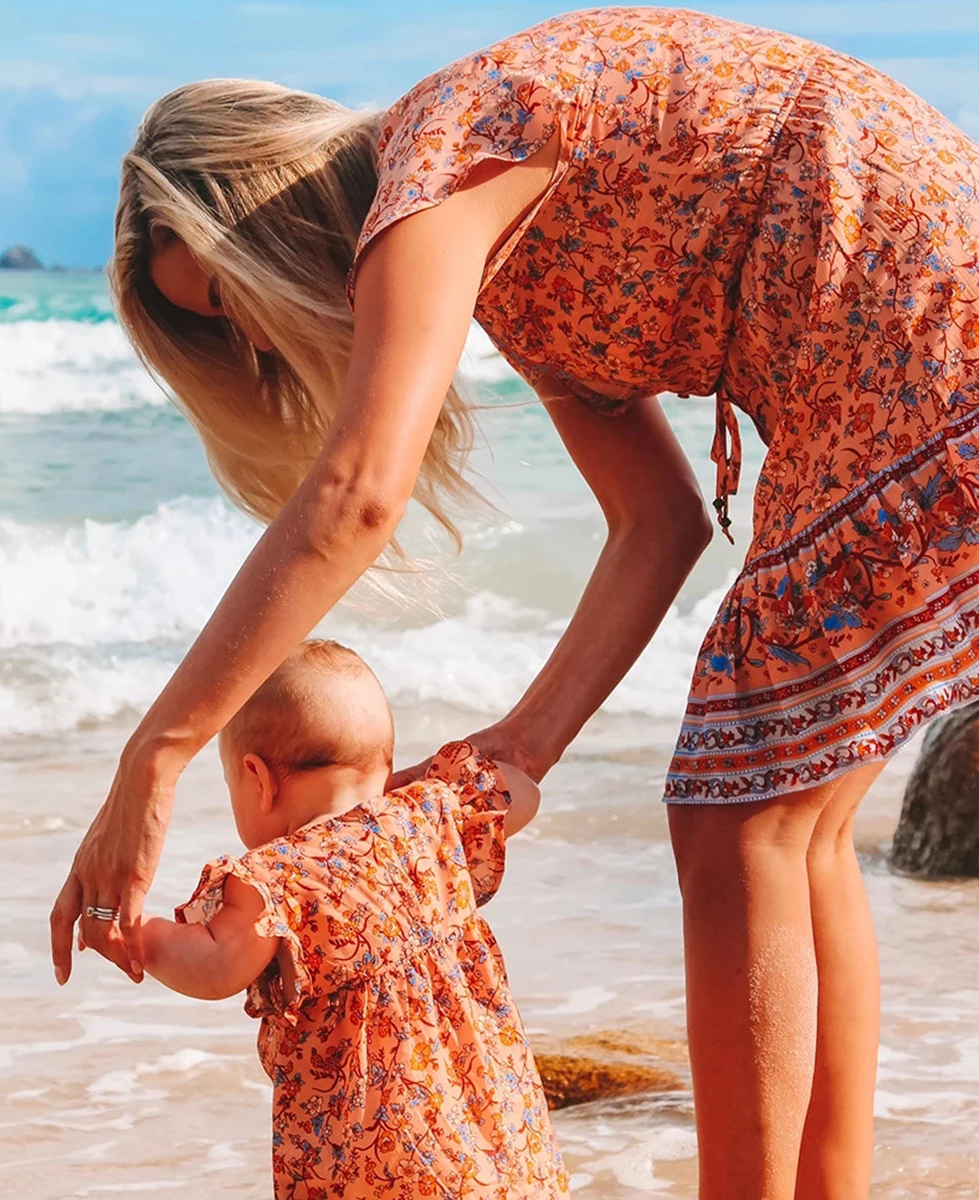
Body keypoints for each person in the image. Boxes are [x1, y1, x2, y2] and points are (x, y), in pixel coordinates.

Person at [48, 8, 979, 1198]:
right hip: (895, 323)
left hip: (900, 314)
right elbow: (660, 522)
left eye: (229, 300)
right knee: (791, 828)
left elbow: (358, 495)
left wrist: (157, 757)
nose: (257, 346)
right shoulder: (500, 234)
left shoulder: (437, 173)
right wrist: (517, 748)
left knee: (738, 816)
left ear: (269, 214)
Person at [135, 639, 567, 1198]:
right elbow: (523, 792)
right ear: (384, 765)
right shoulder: (430, 817)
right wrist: (430, 785)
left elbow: (215, 965)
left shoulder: (280, 878)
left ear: (257, 778)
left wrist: (135, 932)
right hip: (501, 1140)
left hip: (382, 1169)